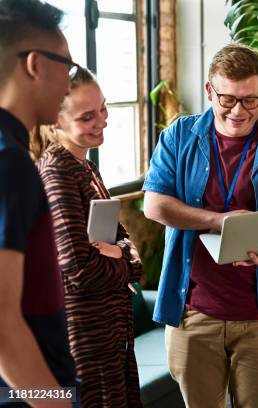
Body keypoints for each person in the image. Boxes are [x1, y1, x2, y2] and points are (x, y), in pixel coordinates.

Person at [142, 43, 258, 408]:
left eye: (251, 100)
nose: (239, 111)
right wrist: (218, 221)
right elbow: (154, 205)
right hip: (193, 312)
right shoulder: (180, 136)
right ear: (209, 91)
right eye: (228, 99)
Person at [32, 67, 143, 407]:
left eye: (104, 109)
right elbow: (78, 268)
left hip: (110, 329)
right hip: (87, 336)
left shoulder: (84, 166)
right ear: (55, 122)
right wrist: (126, 261)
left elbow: (123, 240)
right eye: (87, 116)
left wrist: (119, 252)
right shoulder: (58, 171)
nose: (102, 121)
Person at [0, 0, 77, 407]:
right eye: (67, 65)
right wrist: (55, 402)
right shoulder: (9, 163)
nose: (69, 83)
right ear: (34, 64)